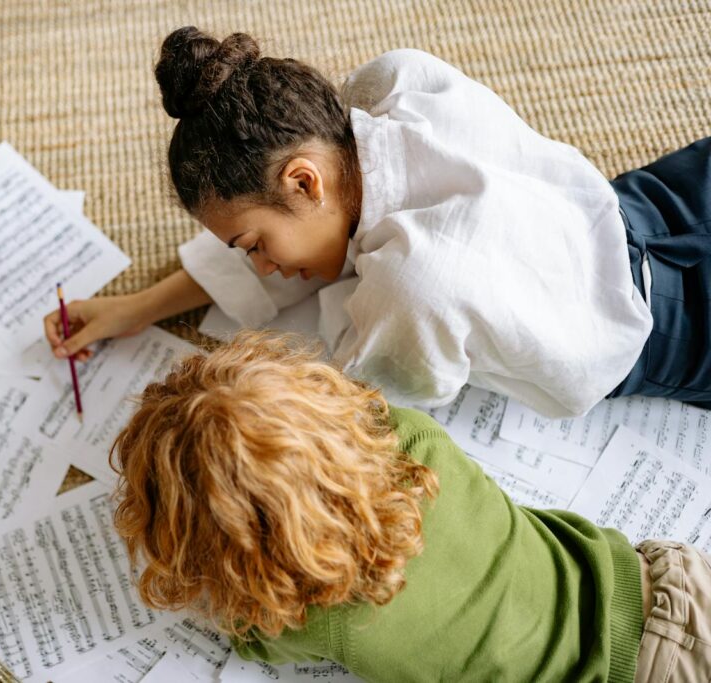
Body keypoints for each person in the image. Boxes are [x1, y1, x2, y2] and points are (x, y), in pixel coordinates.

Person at [43, 26, 711, 418]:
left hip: (663, 332)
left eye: (254, 246)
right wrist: (140, 305)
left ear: (305, 181)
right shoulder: (395, 82)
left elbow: (345, 401)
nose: (264, 268)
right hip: (649, 201)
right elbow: (313, 236)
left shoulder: (410, 288)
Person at [110, 331, 711, 682]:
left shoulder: (314, 618)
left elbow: (249, 636)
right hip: (664, 583)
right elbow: (367, 416)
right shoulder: (417, 442)